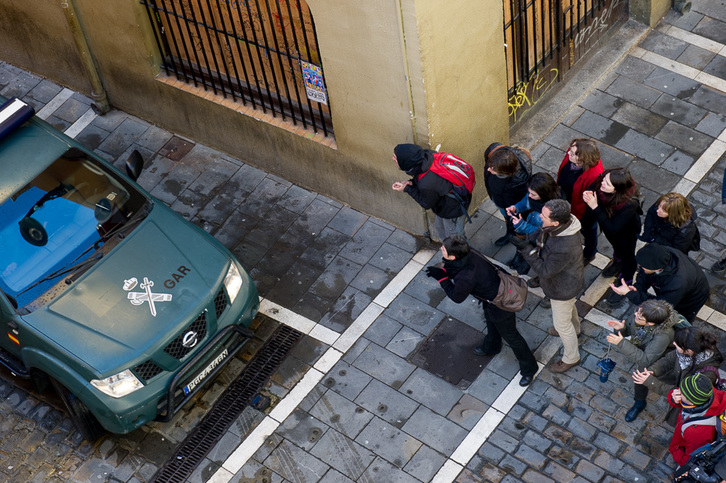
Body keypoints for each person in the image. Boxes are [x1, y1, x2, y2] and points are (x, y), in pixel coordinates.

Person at [425, 235, 538, 386]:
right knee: (490, 320)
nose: (441, 248)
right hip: (491, 296)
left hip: (500, 304)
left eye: (444, 249)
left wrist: (442, 278)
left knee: (512, 337)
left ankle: (530, 369)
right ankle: (492, 345)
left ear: (452, 256)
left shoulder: (465, 277)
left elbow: (456, 296)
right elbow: (456, 267)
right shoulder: (469, 252)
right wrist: (444, 270)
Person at [519, 199, 584, 373]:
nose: (540, 217)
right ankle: (576, 329)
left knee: (562, 324)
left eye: (544, 216)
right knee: (569, 308)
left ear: (555, 222)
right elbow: (542, 236)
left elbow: (546, 271)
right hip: (568, 283)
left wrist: (527, 251)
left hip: (562, 287)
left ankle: (571, 357)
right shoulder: (559, 227)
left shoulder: (565, 245)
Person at [606, 299, 683, 422]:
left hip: (657, 358)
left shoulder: (662, 336)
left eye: (639, 317)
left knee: (641, 376)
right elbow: (632, 328)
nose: (635, 314)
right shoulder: (643, 311)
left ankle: (639, 402)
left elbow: (645, 360)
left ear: (651, 323)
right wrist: (622, 329)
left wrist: (621, 343)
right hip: (644, 347)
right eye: (637, 312)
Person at [631, 327, 723, 425]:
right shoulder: (687, 350)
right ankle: (639, 403)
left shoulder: (707, 375)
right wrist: (652, 371)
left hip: (686, 399)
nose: (674, 344)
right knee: (642, 370)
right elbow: (669, 360)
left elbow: (681, 394)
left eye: (677, 344)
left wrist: (651, 382)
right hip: (679, 376)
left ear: (689, 350)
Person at [582, 168, 642, 305]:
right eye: (604, 179)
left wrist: (594, 206)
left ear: (616, 190)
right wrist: (588, 193)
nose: (602, 183)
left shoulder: (628, 204)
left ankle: (625, 282)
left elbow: (613, 227)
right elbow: (594, 186)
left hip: (626, 233)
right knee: (617, 248)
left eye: (607, 183)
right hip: (610, 227)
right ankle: (617, 262)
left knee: (628, 256)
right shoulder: (603, 182)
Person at [610, 243, 710, 323]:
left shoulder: (676, 284)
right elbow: (644, 274)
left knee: (681, 318)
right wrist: (638, 288)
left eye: (643, 266)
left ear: (657, 269)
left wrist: (630, 294)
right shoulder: (660, 255)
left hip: (692, 298)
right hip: (684, 285)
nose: (640, 266)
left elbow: (659, 306)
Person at [392, 144, 471, 241]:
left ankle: (463, 255)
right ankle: (448, 251)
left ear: (405, 162)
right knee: (440, 229)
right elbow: (427, 179)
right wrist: (411, 183)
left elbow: (426, 203)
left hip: (453, 209)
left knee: (456, 241)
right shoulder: (428, 157)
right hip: (445, 203)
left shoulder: (426, 183)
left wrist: (407, 188)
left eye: (396, 157)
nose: (393, 159)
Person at [505, 172, 564, 275]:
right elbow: (525, 202)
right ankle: (521, 256)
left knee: (533, 251)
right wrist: (516, 208)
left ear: (544, 194)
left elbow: (544, 234)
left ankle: (527, 261)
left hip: (539, 241)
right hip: (529, 226)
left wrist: (522, 226)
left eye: (533, 194)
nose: (530, 195)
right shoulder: (533, 197)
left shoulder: (552, 212)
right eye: (529, 192)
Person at [556, 138, 604, 265]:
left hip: (584, 210)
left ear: (583, 159)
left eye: (572, 154)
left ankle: (590, 253)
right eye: (570, 151)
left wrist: (584, 218)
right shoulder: (573, 155)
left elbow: (590, 204)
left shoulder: (595, 177)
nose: (568, 154)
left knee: (588, 230)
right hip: (569, 196)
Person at [668, 373, 726, 466]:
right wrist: (673, 398)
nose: (677, 392)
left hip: (683, 445)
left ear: (691, 402)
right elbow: (682, 399)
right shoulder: (705, 391)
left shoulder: (697, 432)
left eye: (681, 393)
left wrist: (676, 452)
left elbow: (691, 457)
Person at [483, 143, 531, 247]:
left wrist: (512, 209)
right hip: (500, 201)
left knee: (517, 223)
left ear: (504, 172)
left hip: (513, 206)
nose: (488, 169)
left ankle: (520, 247)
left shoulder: (519, 182)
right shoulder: (495, 156)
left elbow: (521, 201)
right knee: (506, 217)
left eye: (492, 169)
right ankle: (510, 233)